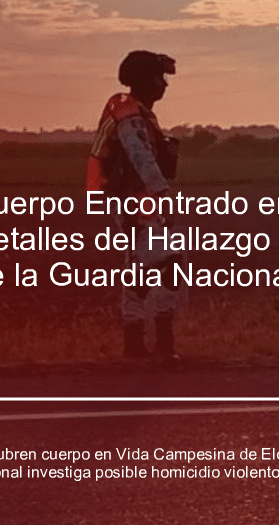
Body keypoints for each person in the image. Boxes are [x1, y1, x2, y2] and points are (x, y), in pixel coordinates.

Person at [86, 50, 184, 359]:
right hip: (134, 203)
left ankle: (135, 343)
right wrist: (163, 194)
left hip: (131, 201)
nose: (164, 85)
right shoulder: (129, 112)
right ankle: (163, 343)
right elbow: (140, 155)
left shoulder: (133, 110)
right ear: (144, 80)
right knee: (170, 264)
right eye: (159, 78)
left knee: (138, 268)